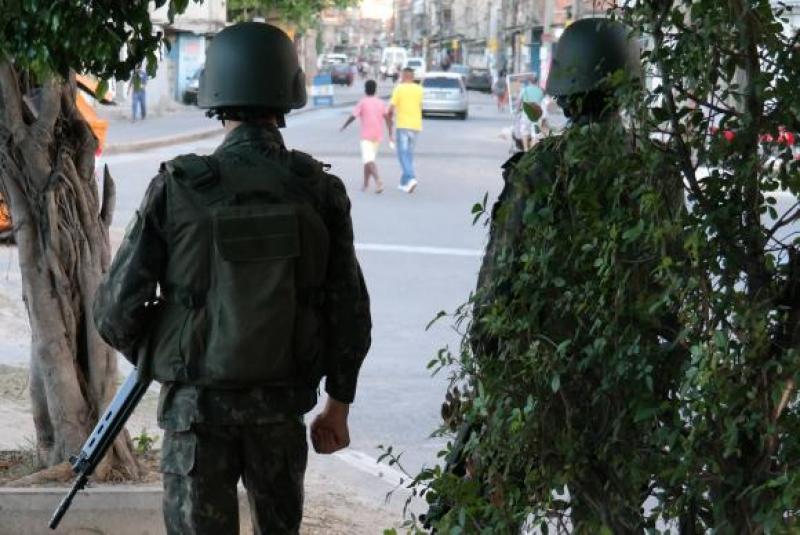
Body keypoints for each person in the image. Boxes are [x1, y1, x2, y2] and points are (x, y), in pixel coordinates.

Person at [93, 22, 372, 534]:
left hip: (194, 414)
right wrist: (338, 405)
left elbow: (114, 314)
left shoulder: (177, 188)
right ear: (289, 92)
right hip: (280, 410)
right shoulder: (318, 190)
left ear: (214, 92)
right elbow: (350, 309)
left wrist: (169, 351)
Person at [442, 18, 685, 529]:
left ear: (563, 91)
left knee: (492, 510)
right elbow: (672, 284)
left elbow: (497, 287)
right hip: (624, 381)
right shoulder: (656, 169)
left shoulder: (539, 170)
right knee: (612, 517)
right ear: (628, 87)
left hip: (541, 374)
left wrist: (493, 380)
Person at [340, 79, 393, 193]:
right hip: (377, 136)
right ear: (375, 90)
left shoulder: (362, 102)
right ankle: (365, 184)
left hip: (366, 137)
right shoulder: (380, 102)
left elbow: (353, 116)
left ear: (365, 90)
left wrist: (344, 125)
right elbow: (388, 118)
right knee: (368, 160)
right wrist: (390, 133)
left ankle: (378, 181)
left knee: (369, 160)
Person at [387, 67, 424, 193]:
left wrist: (389, 118)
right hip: (416, 126)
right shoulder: (419, 89)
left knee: (402, 154)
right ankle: (404, 182)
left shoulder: (399, 88)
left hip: (403, 125)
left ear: (403, 76)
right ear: (413, 77)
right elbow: (420, 105)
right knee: (408, 155)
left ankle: (411, 177)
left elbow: (391, 107)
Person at [516, 74, 545, 150]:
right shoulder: (540, 91)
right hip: (537, 114)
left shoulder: (524, 90)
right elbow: (543, 102)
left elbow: (519, 101)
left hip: (526, 113)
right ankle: (531, 150)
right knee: (535, 134)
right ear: (537, 81)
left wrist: (517, 109)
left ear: (529, 81)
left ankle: (526, 149)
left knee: (524, 131)